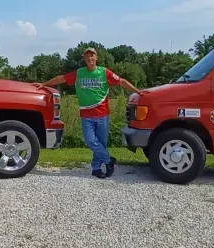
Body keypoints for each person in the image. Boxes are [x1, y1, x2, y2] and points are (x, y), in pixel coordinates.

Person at [33, 47, 147, 178]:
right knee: (90, 140)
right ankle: (109, 160)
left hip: (102, 114)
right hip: (86, 115)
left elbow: (121, 81)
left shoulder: (104, 72)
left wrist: (137, 91)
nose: (90, 58)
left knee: (101, 143)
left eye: (92, 56)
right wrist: (44, 84)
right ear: (85, 59)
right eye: (87, 57)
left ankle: (96, 168)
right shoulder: (79, 73)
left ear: (96, 58)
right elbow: (61, 79)